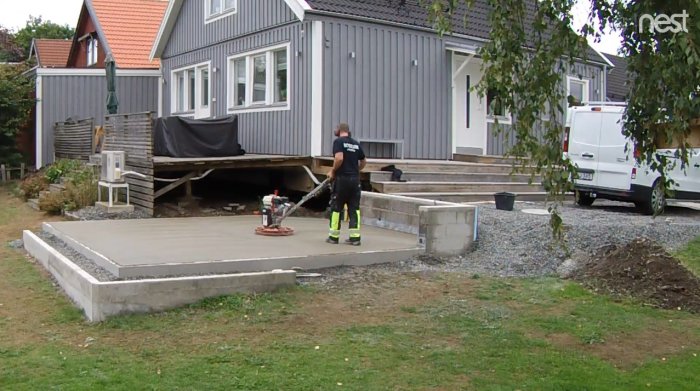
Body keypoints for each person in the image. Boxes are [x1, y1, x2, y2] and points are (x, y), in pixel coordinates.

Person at [327, 123, 366, 245]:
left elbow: (339, 158)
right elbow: (364, 161)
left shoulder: (338, 142)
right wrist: (356, 170)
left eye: (335, 128)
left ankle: (333, 237)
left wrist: (333, 171)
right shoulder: (355, 143)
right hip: (355, 180)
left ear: (339, 130)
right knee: (354, 209)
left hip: (342, 180)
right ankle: (355, 238)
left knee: (336, 208)